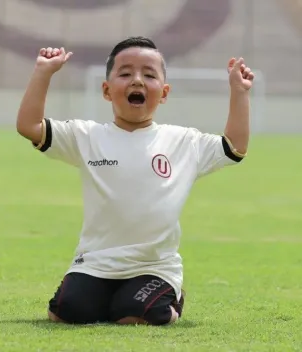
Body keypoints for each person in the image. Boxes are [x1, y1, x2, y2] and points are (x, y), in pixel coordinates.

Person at [16, 36, 254, 326]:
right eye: (125, 73)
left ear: (164, 92)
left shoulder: (183, 142)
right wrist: (43, 72)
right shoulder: (87, 136)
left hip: (154, 266)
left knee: (136, 316)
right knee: (66, 314)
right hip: (96, 264)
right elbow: (29, 126)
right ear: (106, 90)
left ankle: (171, 294)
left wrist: (239, 92)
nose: (137, 80)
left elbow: (234, 146)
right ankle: (106, 297)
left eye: (149, 75)